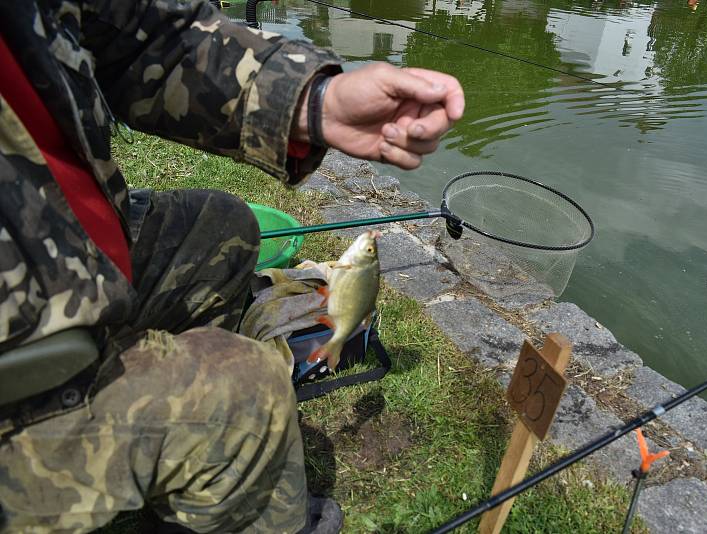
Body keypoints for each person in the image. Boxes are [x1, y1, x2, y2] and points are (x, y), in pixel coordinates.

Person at [0, 0, 464, 532]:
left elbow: (147, 35)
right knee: (249, 392)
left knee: (223, 229)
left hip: (67, 248)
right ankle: (217, 445)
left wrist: (315, 104)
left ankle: (189, 476)